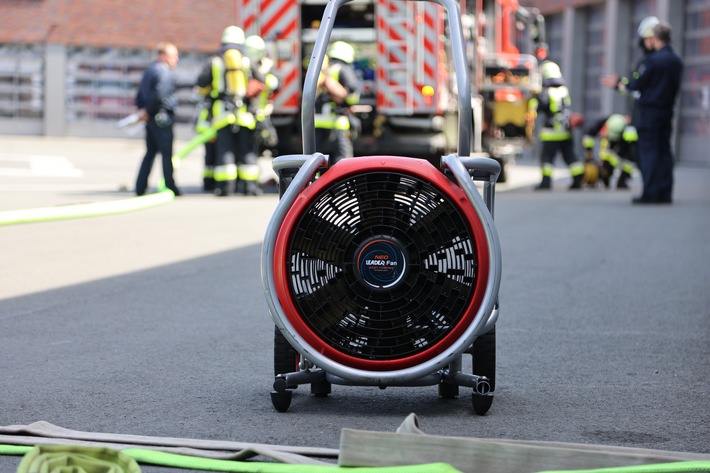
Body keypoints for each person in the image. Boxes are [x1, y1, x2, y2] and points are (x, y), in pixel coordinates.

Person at [601, 20, 683, 204]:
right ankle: (664, 193)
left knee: (649, 154)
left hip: (649, 115)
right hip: (666, 112)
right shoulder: (676, 61)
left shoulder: (652, 61)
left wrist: (618, 83)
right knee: (664, 152)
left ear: (654, 38)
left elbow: (636, 85)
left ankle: (650, 193)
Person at [196, 26, 265, 196]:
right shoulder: (246, 61)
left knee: (225, 150)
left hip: (223, 115)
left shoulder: (214, 61)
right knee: (247, 150)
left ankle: (226, 187)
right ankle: (249, 187)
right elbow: (262, 81)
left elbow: (201, 83)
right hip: (245, 115)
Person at [134, 42, 181, 196]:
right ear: (163, 56)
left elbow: (140, 94)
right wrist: (149, 110)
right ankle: (170, 186)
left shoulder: (150, 70)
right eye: (173, 56)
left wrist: (143, 111)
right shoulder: (164, 71)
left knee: (150, 153)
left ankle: (140, 187)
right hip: (162, 118)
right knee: (167, 155)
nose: (176, 59)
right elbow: (160, 94)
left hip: (150, 118)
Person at [530, 60, 584, 190]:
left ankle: (546, 182)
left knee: (547, 158)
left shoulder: (545, 92)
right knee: (569, 155)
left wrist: (533, 99)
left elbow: (537, 108)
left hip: (551, 133)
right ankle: (578, 179)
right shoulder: (564, 90)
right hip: (565, 131)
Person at [314, 41, 362, 165]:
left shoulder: (321, 71)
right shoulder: (343, 69)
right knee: (342, 161)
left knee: (317, 162)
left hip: (317, 123)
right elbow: (352, 95)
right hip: (338, 123)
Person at [244, 34, 280, 154]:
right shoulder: (243, 65)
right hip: (245, 114)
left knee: (269, 141)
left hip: (262, 113)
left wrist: (264, 84)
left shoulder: (267, 65)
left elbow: (277, 84)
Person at [582, 114, 638, 189]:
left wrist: (620, 156)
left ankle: (622, 181)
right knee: (606, 160)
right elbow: (589, 136)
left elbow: (630, 149)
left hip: (623, 143)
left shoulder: (628, 130)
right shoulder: (603, 122)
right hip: (608, 142)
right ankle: (604, 176)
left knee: (629, 162)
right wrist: (589, 154)